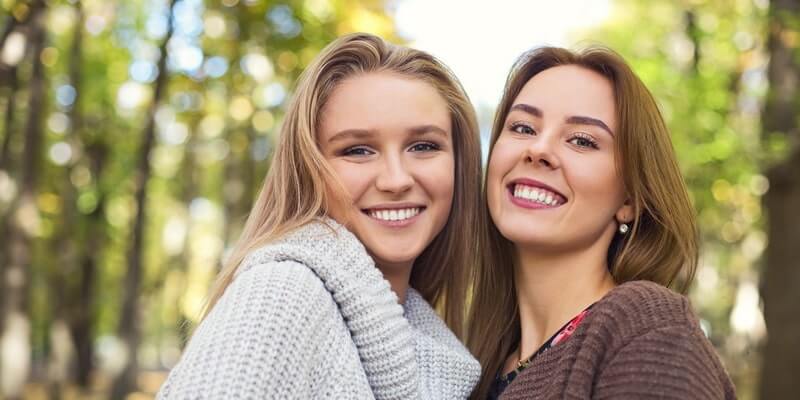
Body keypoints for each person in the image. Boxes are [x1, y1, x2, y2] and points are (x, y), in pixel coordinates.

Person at [157, 33, 482, 399]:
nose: (396, 180)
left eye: (423, 146)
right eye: (358, 150)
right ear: (308, 168)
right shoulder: (280, 295)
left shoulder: (424, 337)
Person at [467, 46, 736, 399]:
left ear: (629, 201)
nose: (539, 150)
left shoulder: (646, 329)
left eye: (582, 140)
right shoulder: (476, 367)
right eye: (522, 127)